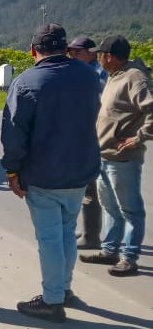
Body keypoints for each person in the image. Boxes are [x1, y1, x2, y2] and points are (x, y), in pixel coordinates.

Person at [1, 23, 101, 322]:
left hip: (43, 174)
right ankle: (64, 288)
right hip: (80, 171)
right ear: (66, 48)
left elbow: (14, 133)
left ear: (33, 50)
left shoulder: (27, 82)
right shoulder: (89, 76)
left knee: (50, 239)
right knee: (67, 231)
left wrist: (12, 171)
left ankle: (52, 300)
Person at [80, 35, 152, 276]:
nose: (98, 58)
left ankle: (129, 258)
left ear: (109, 57)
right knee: (109, 207)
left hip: (123, 158)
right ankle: (110, 250)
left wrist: (138, 138)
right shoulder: (115, 76)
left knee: (130, 210)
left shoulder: (134, 77)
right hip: (104, 154)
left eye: (100, 54)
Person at [66, 35, 107, 250]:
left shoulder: (97, 75)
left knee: (91, 187)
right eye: (70, 52)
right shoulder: (84, 72)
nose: (73, 56)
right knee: (83, 187)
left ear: (91, 53)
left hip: (94, 136)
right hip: (83, 135)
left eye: (77, 52)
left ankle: (92, 236)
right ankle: (88, 230)